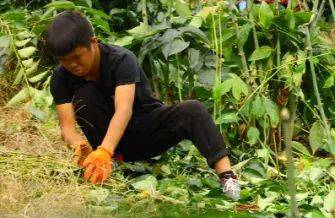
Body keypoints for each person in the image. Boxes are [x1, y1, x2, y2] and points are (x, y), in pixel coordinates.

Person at [45, 10, 241, 200]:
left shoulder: (121, 59)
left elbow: (124, 109)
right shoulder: (61, 77)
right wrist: (80, 146)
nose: (72, 65)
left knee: (193, 110)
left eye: (77, 57)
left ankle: (228, 178)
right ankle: (110, 167)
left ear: (93, 43)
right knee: (84, 95)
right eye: (64, 60)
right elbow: (67, 127)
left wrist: (104, 150)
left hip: (145, 131)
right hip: (109, 146)